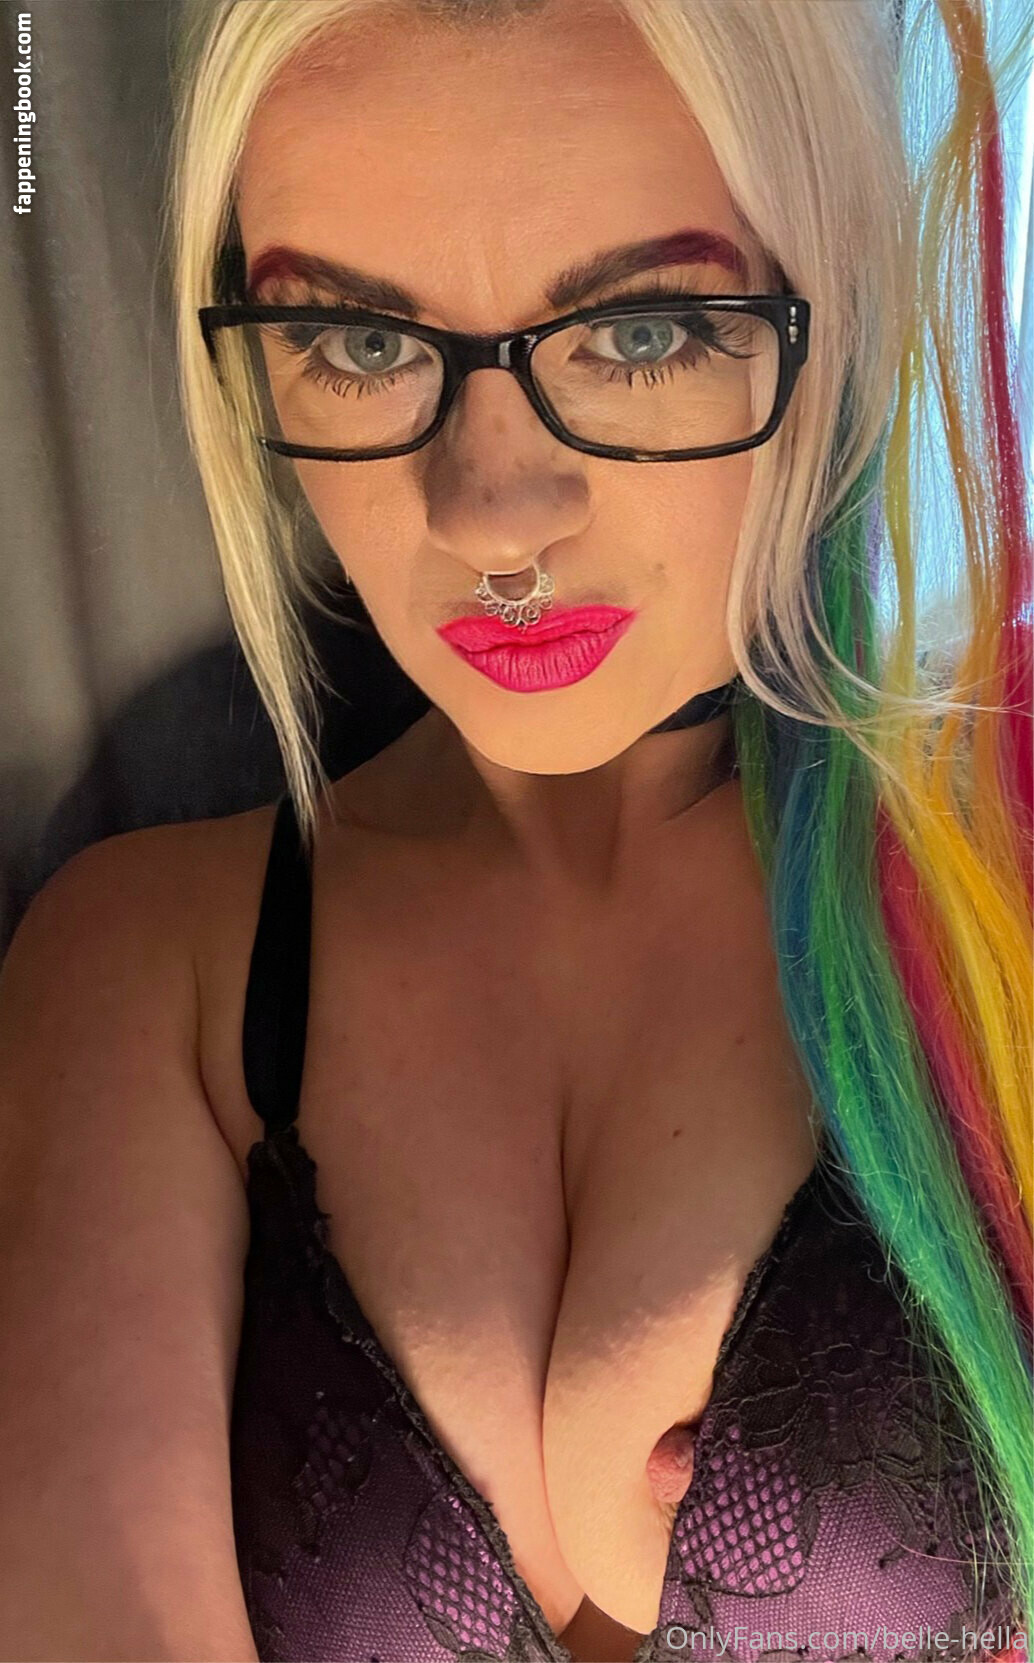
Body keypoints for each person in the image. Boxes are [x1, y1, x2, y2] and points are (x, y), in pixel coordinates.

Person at [0, 0, 1030, 1658]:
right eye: (359, 345)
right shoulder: (151, 964)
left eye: (640, 331)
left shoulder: (998, 871)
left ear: (827, 314)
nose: (490, 510)